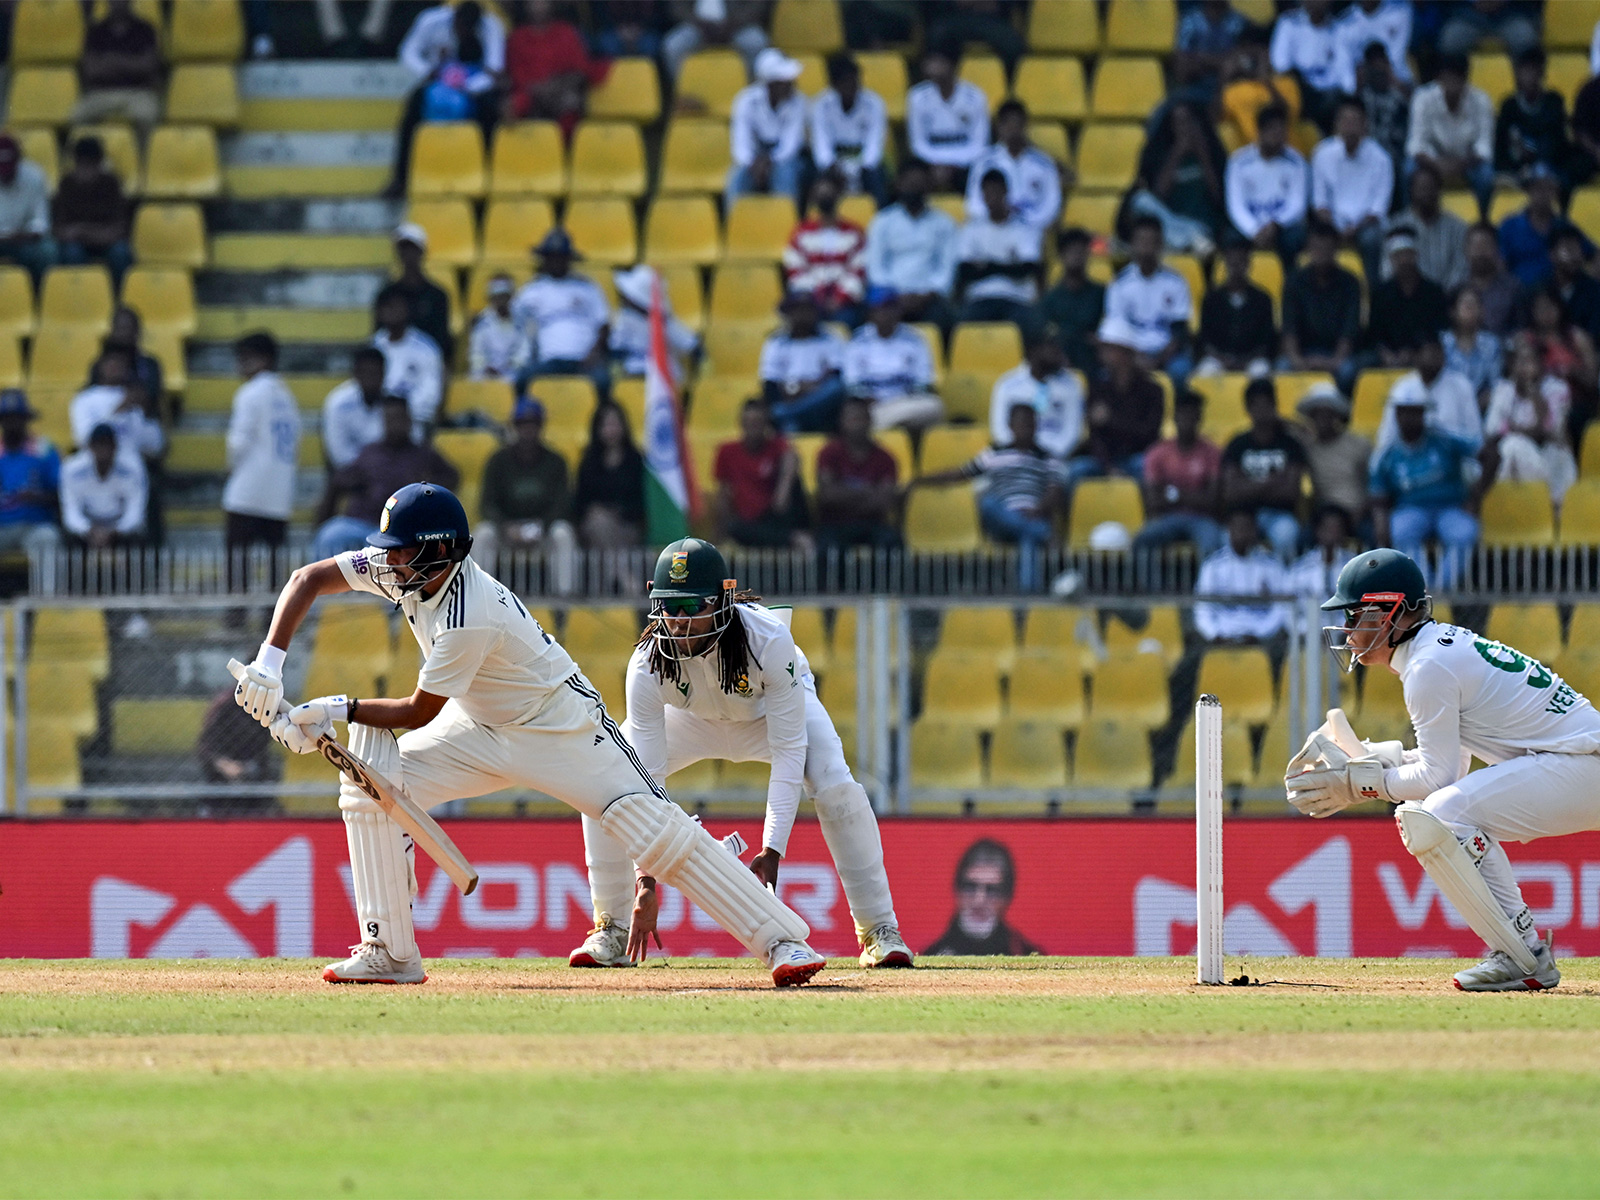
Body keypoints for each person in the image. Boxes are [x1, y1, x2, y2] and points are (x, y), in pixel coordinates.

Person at [236, 481, 828, 986]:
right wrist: (269, 664)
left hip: (561, 726)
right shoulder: (406, 573)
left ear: (442, 553)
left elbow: (417, 711)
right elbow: (308, 578)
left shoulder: (467, 614)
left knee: (654, 833)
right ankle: (389, 951)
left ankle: (784, 942)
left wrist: (330, 710)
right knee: (369, 785)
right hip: (477, 726)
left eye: (402, 554)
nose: (389, 564)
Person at [573, 537, 911, 970]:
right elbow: (646, 780)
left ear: (724, 600)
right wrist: (647, 881)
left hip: (765, 715)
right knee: (605, 783)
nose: (678, 622)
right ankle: (612, 928)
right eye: (668, 607)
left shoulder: (768, 640)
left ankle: (880, 929)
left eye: (692, 607)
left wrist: (772, 849)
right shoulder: (647, 662)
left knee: (834, 781)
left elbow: (789, 751)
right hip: (691, 719)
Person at [1285, 546, 1600, 991]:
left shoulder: (1427, 666)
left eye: (1356, 616)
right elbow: (1450, 764)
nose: (1349, 630)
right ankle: (1521, 952)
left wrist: (1361, 786)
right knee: (1442, 811)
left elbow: (1437, 780)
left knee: (1439, 814)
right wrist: (1380, 763)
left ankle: (1522, 956)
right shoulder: (1436, 649)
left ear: (1389, 612)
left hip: (1582, 764)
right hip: (1577, 764)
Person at [914, 402, 1067, 593]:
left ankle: (1028, 597)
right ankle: (1041, 533)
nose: (1027, 429)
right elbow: (960, 474)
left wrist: (1039, 509)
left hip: (1033, 514)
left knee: (1028, 538)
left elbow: (1055, 490)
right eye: (1022, 424)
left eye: (1031, 424)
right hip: (1002, 518)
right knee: (986, 504)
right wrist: (919, 481)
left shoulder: (1047, 458)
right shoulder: (994, 454)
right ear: (1011, 426)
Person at [312, 394, 459, 560]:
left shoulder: (423, 454)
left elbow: (452, 476)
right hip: (361, 521)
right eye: (389, 419)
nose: (394, 424)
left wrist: (427, 489)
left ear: (409, 420)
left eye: (399, 418)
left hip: (399, 528)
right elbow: (341, 480)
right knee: (328, 536)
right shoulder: (369, 452)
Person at [385, 1, 505, 197]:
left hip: (473, 84)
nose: (463, 33)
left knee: (490, 112)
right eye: (461, 28)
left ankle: (487, 175)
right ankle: (401, 179)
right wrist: (429, 72)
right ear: (454, 20)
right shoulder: (431, 21)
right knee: (412, 110)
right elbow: (408, 52)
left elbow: (494, 69)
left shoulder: (491, 27)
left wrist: (468, 86)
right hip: (436, 81)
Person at [1368, 392, 1483, 585]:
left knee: (1465, 532)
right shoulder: (1387, 453)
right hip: (1411, 509)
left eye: (1415, 413)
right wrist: (1381, 525)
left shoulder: (1443, 439)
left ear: (1423, 414)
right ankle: (1423, 588)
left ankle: (1441, 591)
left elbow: (1487, 453)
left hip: (1451, 507)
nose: (1410, 419)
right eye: (1405, 413)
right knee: (1401, 532)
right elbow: (1378, 496)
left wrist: (1475, 496)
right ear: (1396, 415)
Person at [477, 397, 577, 588]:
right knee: (483, 534)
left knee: (563, 533)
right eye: (522, 424)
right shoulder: (498, 461)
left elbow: (562, 504)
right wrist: (506, 527)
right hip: (507, 532)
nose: (527, 430)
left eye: (533, 424)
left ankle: (566, 602)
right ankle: (480, 598)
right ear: (514, 427)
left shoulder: (555, 461)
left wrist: (541, 526)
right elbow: (487, 504)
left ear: (541, 426)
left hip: (543, 531)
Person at [223, 333, 300, 579]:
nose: (240, 365)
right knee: (276, 575)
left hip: (247, 492)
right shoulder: (288, 397)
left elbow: (238, 443)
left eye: (245, 358)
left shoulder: (250, 392)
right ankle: (277, 618)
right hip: (279, 494)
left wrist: (230, 467)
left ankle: (236, 616)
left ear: (264, 359)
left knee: (238, 571)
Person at [511, 229, 611, 398]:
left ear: (568, 259)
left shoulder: (587, 287)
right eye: (552, 256)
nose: (556, 261)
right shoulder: (532, 290)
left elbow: (604, 325)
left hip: (583, 361)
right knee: (521, 379)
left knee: (603, 381)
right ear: (545, 258)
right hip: (548, 361)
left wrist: (593, 354)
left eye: (560, 256)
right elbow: (513, 320)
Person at [863, 159, 959, 332]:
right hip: (890, 297)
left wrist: (925, 295)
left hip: (929, 299)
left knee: (946, 320)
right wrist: (895, 296)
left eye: (919, 184)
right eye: (909, 183)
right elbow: (876, 268)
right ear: (898, 185)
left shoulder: (944, 223)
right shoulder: (883, 221)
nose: (914, 188)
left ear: (929, 186)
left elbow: (946, 270)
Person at [1221, 377, 1309, 559]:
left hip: (1280, 515)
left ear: (1275, 405)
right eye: (1256, 405)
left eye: (1266, 404)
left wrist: (1248, 486)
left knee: (1286, 536)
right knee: (1225, 539)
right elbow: (1230, 493)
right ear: (1248, 408)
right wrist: (1271, 482)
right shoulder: (1238, 444)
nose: (1261, 411)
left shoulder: (1290, 444)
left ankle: (1283, 586)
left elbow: (1291, 492)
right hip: (1242, 516)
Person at [1311, 96, 1394, 286]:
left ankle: (1374, 291)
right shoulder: (1322, 153)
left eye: (1354, 121)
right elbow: (1320, 203)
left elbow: (1378, 209)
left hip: (1366, 226)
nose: (1349, 127)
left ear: (1365, 125)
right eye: (1344, 121)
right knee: (1314, 237)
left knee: (1371, 240)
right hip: (1331, 223)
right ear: (1336, 124)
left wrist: (1354, 229)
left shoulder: (1381, 159)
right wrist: (1336, 227)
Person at [1072, 317, 1165, 485]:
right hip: (1105, 459)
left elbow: (1150, 435)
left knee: (1145, 467)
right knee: (1077, 471)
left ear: (1124, 352)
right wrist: (1108, 467)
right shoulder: (1097, 388)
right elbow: (1095, 435)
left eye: (1108, 349)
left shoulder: (1152, 391)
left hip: (1137, 456)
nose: (1102, 354)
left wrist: (1111, 420)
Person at [1127, 101, 1228, 256]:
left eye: (1188, 121)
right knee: (1141, 200)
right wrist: (1178, 152)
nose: (1184, 127)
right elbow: (1159, 194)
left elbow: (1219, 196)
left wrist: (1203, 156)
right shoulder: (1164, 154)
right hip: (1171, 223)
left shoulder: (1213, 154)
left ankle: (1180, 245)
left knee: (1195, 235)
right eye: (1179, 122)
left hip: (1200, 226)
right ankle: (1184, 244)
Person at [1132, 389, 1223, 559]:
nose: (1187, 420)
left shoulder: (1212, 453)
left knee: (1213, 542)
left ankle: (1205, 585)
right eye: (1183, 414)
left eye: (1192, 415)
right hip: (1168, 518)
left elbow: (1212, 501)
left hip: (1202, 519)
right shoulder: (1158, 453)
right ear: (1174, 417)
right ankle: (1152, 586)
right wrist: (1194, 497)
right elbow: (1153, 501)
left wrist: (1174, 494)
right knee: (1142, 541)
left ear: (1199, 418)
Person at [1483, 340, 1576, 505]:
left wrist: (1533, 395)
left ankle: (1558, 509)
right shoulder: (1503, 389)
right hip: (1517, 462)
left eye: (1529, 361)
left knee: (1558, 450)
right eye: (1519, 361)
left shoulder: (1557, 388)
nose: (1523, 366)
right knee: (1511, 446)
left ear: (1541, 363)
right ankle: (1504, 508)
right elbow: (1491, 431)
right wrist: (1520, 431)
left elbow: (1550, 430)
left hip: (1548, 458)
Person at [1103, 215, 1193, 384]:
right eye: (1141, 241)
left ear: (1160, 244)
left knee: (1181, 371)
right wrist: (1135, 358)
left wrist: (1160, 359)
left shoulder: (1175, 282)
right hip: (1130, 353)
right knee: (1107, 373)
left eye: (1151, 241)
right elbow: (1116, 330)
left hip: (1166, 353)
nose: (1146, 247)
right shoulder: (1120, 284)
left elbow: (1180, 330)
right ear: (1132, 244)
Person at [714, 398, 811, 552]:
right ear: (742, 424)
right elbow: (723, 492)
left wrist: (782, 491)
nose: (753, 428)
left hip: (775, 515)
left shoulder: (775, 446)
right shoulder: (727, 451)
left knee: (795, 482)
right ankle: (793, 538)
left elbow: (792, 457)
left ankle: (796, 535)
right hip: (749, 522)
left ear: (766, 424)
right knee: (736, 529)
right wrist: (719, 536)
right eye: (749, 423)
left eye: (758, 423)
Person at [1407, 53, 1495, 218]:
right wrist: (1436, 163)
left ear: (1466, 79)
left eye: (1457, 78)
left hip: (1467, 162)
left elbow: (1484, 147)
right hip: (1432, 160)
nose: (1452, 84)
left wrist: (1461, 164)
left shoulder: (1482, 101)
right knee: (1409, 170)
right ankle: (1409, 220)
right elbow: (1416, 145)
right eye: (1448, 78)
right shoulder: (1423, 98)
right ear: (1439, 78)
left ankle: (1483, 222)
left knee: (1486, 176)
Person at [1279, 220, 1363, 392]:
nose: (1321, 254)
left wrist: (1335, 362)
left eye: (1326, 249)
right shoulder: (1295, 281)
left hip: (1336, 353)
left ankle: (1341, 416)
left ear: (1336, 250)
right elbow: (1289, 328)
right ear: (1308, 249)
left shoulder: (1350, 282)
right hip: (1303, 353)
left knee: (1349, 371)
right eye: (1316, 248)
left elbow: (1349, 330)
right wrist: (1298, 361)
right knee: (1282, 367)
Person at [503, 0, 607, 138]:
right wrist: (537, 90)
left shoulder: (567, 32)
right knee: (510, 107)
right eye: (533, 2)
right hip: (530, 92)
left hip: (561, 90)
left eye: (542, 2)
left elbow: (579, 70)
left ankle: (566, 152)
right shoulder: (517, 38)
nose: (538, 7)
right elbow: (516, 74)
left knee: (570, 102)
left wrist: (554, 86)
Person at [842, 289, 942, 432]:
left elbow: (924, 382)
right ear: (871, 313)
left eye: (890, 308)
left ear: (899, 311)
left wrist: (904, 399)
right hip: (871, 406)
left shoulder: (914, 339)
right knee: (855, 413)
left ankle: (881, 425)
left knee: (935, 406)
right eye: (880, 309)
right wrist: (867, 399)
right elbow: (851, 384)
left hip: (906, 404)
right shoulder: (858, 341)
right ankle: (884, 425)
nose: (886, 314)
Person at [812, 395, 901, 553]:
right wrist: (868, 491)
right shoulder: (828, 453)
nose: (857, 424)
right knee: (828, 549)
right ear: (842, 422)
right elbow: (827, 495)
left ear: (870, 421)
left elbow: (884, 501)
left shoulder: (885, 458)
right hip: (835, 524)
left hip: (873, 523)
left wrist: (844, 494)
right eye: (853, 418)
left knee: (892, 544)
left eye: (861, 418)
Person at [923, 839, 1042, 956]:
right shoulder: (930, 959)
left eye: (991, 890)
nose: (979, 900)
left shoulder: (1027, 958)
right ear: (957, 890)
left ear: (1007, 898)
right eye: (970, 887)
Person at [954, 169, 1042, 327]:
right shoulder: (971, 229)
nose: (992, 196)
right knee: (961, 325)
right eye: (987, 192)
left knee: (1033, 327)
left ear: (1006, 192)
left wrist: (988, 267)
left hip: (1016, 298)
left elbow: (1027, 269)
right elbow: (965, 270)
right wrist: (1008, 266)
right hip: (980, 298)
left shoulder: (1024, 229)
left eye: (996, 190)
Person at [782, 169, 868, 327]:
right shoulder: (801, 232)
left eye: (829, 193)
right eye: (821, 194)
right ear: (814, 197)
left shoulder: (853, 232)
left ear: (838, 196)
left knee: (848, 319)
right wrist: (817, 298)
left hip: (844, 304)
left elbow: (858, 271)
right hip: (810, 302)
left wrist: (839, 299)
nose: (825, 197)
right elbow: (795, 270)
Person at [1224, 103, 1310, 263]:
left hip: (1282, 227)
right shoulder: (1239, 162)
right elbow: (1235, 206)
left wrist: (1275, 226)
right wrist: (1254, 230)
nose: (1278, 134)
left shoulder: (1296, 162)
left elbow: (1297, 204)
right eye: (1272, 129)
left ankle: (1290, 284)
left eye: (1281, 129)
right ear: (1260, 131)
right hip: (1250, 226)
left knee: (1294, 238)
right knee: (1231, 238)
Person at [963, 100, 1063, 236]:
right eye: (1008, 123)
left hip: (1032, 232)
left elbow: (1051, 205)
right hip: (993, 231)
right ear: (999, 126)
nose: (1013, 129)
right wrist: (998, 219)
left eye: (1017, 124)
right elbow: (974, 203)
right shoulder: (984, 162)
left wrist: (1026, 223)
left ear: (1025, 126)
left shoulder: (1044, 164)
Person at [1192, 508, 1290, 645]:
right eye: (1237, 528)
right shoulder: (1213, 566)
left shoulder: (1272, 565)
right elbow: (1202, 609)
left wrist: (1261, 635)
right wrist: (1215, 635)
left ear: (1255, 531)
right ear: (1228, 531)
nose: (1242, 533)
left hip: (1263, 639)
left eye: (1247, 528)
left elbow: (1281, 608)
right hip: (1221, 637)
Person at [1375, 336, 1484, 455]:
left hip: (1452, 460)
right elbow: (1387, 437)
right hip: (1410, 462)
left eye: (1439, 351)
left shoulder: (1461, 386)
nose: (1437, 357)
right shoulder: (1402, 388)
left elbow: (1475, 436)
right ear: (1416, 356)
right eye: (1431, 351)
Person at [727, 48, 807, 206]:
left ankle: (786, 222)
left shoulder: (798, 102)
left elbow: (790, 146)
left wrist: (769, 162)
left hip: (785, 159)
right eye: (785, 81)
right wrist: (752, 163)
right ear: (771, 84)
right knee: (737, 178)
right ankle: (734, 224)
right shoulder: (746, 101)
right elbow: (740, 144)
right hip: (754, 159)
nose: (792, 83)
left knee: (785, 174)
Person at [69, 345, 164, 476]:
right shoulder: (85, 398)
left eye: (121, 363)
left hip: (129, 467)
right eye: (112, 362)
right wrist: (119, 409)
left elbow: (155, 446)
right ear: (100, 366)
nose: (116, 367)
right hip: (94, 466)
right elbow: (83, 439)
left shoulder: (136, 396)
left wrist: (146, 412)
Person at [905, 48, 990, 194]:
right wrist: (938, 163)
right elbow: (917, 144)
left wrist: (953, 165)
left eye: (938, 61)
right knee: (913, 175)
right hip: (930, 164)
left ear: (952, 65)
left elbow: (979, 143)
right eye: (930, 61)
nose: (932, 67)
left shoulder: (975, 96)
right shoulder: (917, 97)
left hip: (964, 166)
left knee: (982, 169)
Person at [759, 292, 847, 434]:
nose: (802, 314)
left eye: (807, 309)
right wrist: (800, 388)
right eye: (797, 310)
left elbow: (835, 376)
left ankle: (788, 414)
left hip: (824, 407)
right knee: (789, 426)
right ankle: (793, 416)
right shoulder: (776, 342)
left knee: (836, 388)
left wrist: (799, 389)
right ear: (788, 313)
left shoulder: (830, 338)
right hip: (791, 400)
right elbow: (770, 385)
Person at [809, 53, 889, 204]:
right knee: (815, 176)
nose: (851, 87)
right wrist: (831, 165)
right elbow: (821, 145)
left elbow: (874, 144)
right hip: (834, 165)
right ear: (834, 84)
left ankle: (880, 217)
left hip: (865, 165)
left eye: (854, 81)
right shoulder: (821, 105)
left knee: (877, 175)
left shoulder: (874, 104)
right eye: (845, 82)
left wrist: (858, 168)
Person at [989, 333, 1082, 461]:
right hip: (1015, 457)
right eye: (1052, 348)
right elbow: (1000, 430)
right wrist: (1020, 454)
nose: (1059, 354)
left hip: (1055, 458)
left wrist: (1050, 456)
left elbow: (1072, 431)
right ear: (1034, 350)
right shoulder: (1008, 384)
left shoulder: (1071, 384)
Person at [73, 0, 163, 130]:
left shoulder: (145, 29)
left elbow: (148, 66)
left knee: (147, 115)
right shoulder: (96, 31)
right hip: (101, 93)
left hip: (138, 93)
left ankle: (144, 151)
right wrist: (131, 63)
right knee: (78, 116)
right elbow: (91, 70)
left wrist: (113, 62)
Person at [51, 137, 131, 285]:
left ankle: (120, 295)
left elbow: (120, 229)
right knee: (71, 253)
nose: (85, 170)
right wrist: (74, 233)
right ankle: (82, 295)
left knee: (120, 252)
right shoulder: (67, 184)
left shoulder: (112, 183)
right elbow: (59, 230)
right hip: (78, 243)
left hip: (106, 241)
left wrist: (85, 232)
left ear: (99, 164)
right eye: (81, 164)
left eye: (90, 164)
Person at [1498, 163, 1591, 290]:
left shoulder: (1565, 227)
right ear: (1528, 190)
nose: (1543, 194)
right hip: (1520, 295)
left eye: (1548, 188)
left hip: (1558, 298)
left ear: (1555, 191)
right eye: (1538, 188)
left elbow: (1593, 254)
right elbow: (1499, 264)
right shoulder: (1510, 225)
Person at [1368, 228, 1451, 368]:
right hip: (1387, 357)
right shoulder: (1380, 293)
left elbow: (1439, 332)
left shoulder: (1433, 292)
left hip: (1424, 356)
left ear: (1415, 256)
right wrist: (1386, 354)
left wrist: (1415, 352)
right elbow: (1373, 334)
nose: (1403, 260)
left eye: (1407, 255)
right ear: (1391, 259)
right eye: (1398, 256)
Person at [1269, 0, 1356, 132]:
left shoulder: (1339, 29)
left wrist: (1349, 95)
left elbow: (1345, 71)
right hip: (1301, 90)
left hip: (1330, 96)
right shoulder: (1289, 23)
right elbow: (1280, 63)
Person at [1195, 235, 1276, 377]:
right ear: (1225, 263)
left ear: (1248, 264)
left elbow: (1267, 340)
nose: (1236, 267)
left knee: (1261, 371)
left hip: (1251, 360)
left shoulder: (1262, 299)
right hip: (1219, 359)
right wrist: (1222, 359)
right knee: (1205, 372)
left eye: (1241, 262)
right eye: (1232, 262)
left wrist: (1245, 360)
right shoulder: (1212, 299)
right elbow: (1205, 338)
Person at [1295, 382, 1371, 531]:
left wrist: (1361, 511)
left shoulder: (1359, 444)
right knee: (1302, 539)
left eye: (1327, 413)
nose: (1322, 418)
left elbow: (1372, 485)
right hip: (1324, 515)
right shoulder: (1308, 447)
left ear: (1336, 415)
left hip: (1357, 512)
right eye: (1316, 413)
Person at [572, 400, 645, 549]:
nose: (611, 430)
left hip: (628, 524)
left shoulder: (636, 460)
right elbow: (580, 502)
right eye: (606, 425)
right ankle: (624, 572)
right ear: (597, 428)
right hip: (594, 525)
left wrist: (617, 513)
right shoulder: (588, 462)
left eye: (615, 424)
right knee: (599, 523)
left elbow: (641, 501)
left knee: (604, 527)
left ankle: (616, 571)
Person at [1494, 47, 1571, 189]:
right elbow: (1501, 148)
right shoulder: (1509, 106)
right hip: (1515, 172)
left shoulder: (1553, 102)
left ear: (1541, 73)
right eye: (1524, 71)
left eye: (1533, 70)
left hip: (1549, 169)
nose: (1529, 76)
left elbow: (1558, 143)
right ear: (1517, 74)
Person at [1384, 161, 1467, 293]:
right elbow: (1387, 270)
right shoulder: (1397, 225)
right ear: (1411, 191)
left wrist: (1439, 295)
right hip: (1406, 301)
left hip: (1446, 300)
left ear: (1439, 190)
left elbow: (1460, 267)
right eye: (1421, 188)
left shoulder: (1457, 228)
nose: (1426, 193)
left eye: (1430, 188)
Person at [370, 284, 444, 429]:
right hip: (377, 421)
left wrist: (401, 414)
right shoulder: (373, 347)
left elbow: (431, 393)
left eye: (398, 306)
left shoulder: (427, 348)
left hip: (415, 422)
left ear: (408, 310)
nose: (393, 312)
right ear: (379, 312)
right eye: (388, 307)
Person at [60, 423, 145, 548]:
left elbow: (134, 513)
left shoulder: (132, 470)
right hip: (88, 528)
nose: (103, 450)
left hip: (118, 529)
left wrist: (115, 532)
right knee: (68, 538)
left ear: (115, 447)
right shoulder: (72, 470)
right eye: (99, 444)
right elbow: (71, 512)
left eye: (107, 444)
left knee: (138, 537)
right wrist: (89, 530)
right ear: (90, 447)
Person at [1033, 228, 1105, 375]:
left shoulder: (1101, 293)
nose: (1077, 256)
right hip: (1060, 363)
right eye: (1072, 251)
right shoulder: (1050, 299)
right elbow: (1045, 335)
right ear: (1061, 255)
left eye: (1081, 251)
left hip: (1094, 360)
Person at [608, 264, 698, 381]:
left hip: (664, 377)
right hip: (633, 372)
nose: (624, 299)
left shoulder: (666, 323)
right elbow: (615, 349)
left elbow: (693, 346)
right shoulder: (625, 319)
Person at [0, 390, 61, 561]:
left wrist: (37, 497)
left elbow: (61, 495)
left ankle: (47, 589)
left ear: (25, 419)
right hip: (2, 528)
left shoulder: (44, 449)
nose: (12, 423)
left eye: (16, 417)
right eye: (7, 418)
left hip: (35, 526)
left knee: (48, 538)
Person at [390, 223, 455, 365]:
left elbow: (442, 340)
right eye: (403, 249)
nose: (408, 254)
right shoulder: (387, 295)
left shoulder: (438, 296)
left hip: (427, 366)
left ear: (422, 251)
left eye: (412, 249)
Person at [661, 0, 769, 83]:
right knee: (674, 47)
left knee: (756, 43)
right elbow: (677, 6)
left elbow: (756, 5)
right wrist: (697, 23)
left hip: (737, 26)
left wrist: (735, 23)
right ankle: (685, 96)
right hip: (697, 26)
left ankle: (753, 96)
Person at [322, 346, 390, 471]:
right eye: (366, 373)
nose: (371, 379)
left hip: (386, 473)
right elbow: (338, 455)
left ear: (384, 374)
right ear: (356, 373)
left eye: (376, 373)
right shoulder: (338, 404)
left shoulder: (394, 402)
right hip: (352, 474)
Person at [0, 135, 56, 282]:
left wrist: (25, 235)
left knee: (47, 251)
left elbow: (41, 221)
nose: (4, 175)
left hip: (24, 240)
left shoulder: (35, 177)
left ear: (18, 161)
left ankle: (39, 298)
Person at [1357, 41, 1410, 186]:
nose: (1378, 69)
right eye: (1373, 65)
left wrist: (1393, 79)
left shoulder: (1399, 97)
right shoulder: (1361, 97)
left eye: (1382, 63)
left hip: (1395, 152)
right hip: (1365, 152)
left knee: (1404, 168)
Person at [1175, 0, 1250, 98]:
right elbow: (1182, 67)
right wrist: (1218, 62)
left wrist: (1204, 60)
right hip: (1196, 84)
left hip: (1231, 86)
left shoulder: (1239, 23)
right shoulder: (1190, 21)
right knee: (1180, 111)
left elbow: (1241, 61)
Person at [1443, 288, 1503, 408]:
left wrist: (1474, 406)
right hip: (1448, 407)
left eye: (1474, 305)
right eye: (1466, 305)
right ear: (1453, 311)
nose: (1470, 309)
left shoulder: (1491, 344)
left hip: (1482, 408)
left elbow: (1495, 384)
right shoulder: (1443, 343)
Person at [468, 273, 532, 381]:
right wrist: (485, 368)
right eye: (497, 297)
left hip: (513, 375)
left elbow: (524, 355)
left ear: (510, 297)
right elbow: (476, 354)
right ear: (491, 298)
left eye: (504, 297)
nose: (501, 301)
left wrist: (508, 368)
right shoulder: (482, 324)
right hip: (484, 375)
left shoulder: (521, 322)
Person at [1334, 0, 1413, 86]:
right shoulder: (1344, 24)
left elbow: (1398, 57)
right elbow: (1346, 72)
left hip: (1399, 82)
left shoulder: (1401, 11)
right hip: (1363, 88)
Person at [1462, 221, 1520, 337]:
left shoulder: (1513, 288)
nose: (1480, 252)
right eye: (1476, 246)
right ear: (1466, 250)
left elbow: (1519, 329)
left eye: (1485, 246)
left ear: (1497, 249)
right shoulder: (1458, 289)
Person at [1548, 226, 1600, 348]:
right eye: (1567, 249)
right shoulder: (1541, 290)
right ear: (1552, 254)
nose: (1574, 256)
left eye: (1577, 249)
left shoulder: (1595, 291)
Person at [1438, 0, 1539, 59]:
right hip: (1469, 16)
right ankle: (1455, 91)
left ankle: (1522, 93)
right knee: (1450, 40)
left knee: (1526, 39)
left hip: (1508, 15)